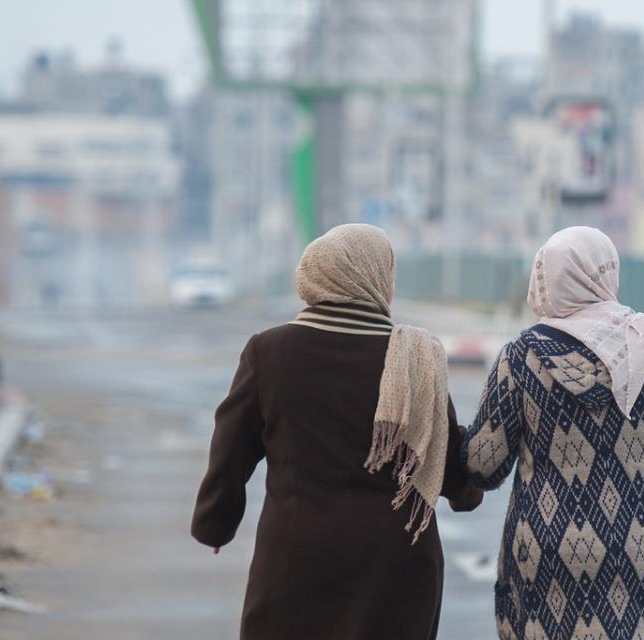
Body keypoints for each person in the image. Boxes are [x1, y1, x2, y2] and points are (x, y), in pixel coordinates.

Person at [191, 223, 484, 640]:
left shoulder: (269, 351)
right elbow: (450, 469)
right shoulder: (417, 357)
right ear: (373, 277)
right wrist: (467, 493)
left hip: (297, 558)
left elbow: (230, 449)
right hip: (397, 566)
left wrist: (215, 524)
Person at [465, 226, 644, 640]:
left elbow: (482, 465)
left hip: (545, 557)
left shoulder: (523, 356)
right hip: (638, 555)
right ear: (606, 273)